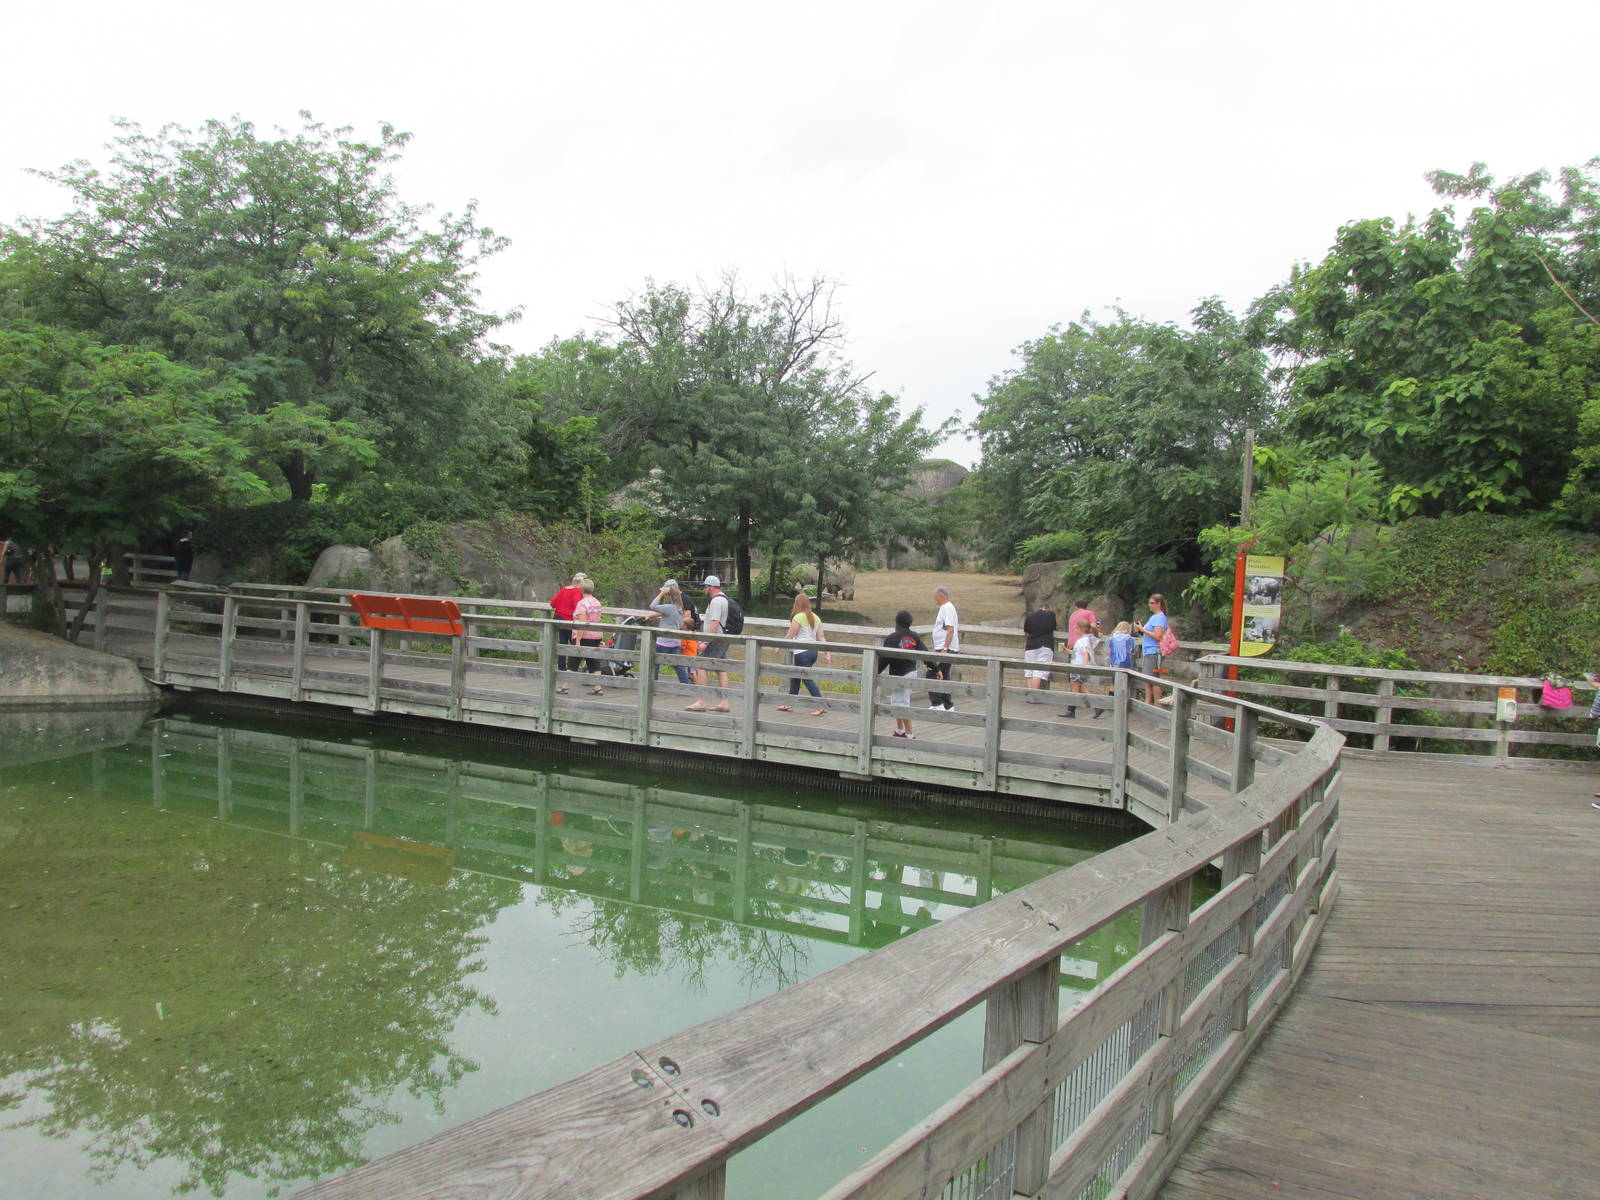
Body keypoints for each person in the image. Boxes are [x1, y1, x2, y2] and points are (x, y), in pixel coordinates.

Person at [776, 592, 829, 716]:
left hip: (802, 652)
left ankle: (820, 705)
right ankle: (789, 704)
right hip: (813, 652)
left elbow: (791, 634)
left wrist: (779, 645)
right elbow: (821, 637)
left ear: (797, 604)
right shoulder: (816, 617)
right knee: (795, 677)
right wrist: (827, 653)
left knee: (806, 678)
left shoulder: (798, 617)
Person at [685, 575, 732, 712]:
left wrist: (706, 641)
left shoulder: (716, 601)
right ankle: (725, 702)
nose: (704, 589)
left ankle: (701, 701)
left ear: (711, 587)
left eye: (705, 586)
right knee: (721, 669)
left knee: (700, 666)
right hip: (722, 639)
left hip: (715, 640)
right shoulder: (725, 599)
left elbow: (715, 622)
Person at [879, 609, 928, 739]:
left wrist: (875, 671)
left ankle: (910, 734)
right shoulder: (914, 636)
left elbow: (884, 658)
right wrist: (935, 668)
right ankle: (900, 730)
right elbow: (925, 653)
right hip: (911, 672)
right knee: (897, 701)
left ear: (897, 622)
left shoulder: (893, 638)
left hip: (901, 675)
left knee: (902, 703)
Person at [648, 580, 692, 685]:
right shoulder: (679, 607)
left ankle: (652, 686)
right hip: (675, 642)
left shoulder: (670, 608)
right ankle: (685, 685)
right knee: (678, 666)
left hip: (663, 641)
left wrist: (661, 593)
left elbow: (652, 606)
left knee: (654, 663)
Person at [1133, 593, 1170, 705]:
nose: (1150, 605)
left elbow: (1158, 636)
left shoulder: (1160, 617)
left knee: (1153, 679)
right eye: (1149, 603)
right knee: (1147, 679)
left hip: (1154, 651)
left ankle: (1158, 705)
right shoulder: (1154, 617)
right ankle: (1147, 703)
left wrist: (1142, 629)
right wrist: (1141, 630)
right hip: (1148, 650)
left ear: (1159, 604)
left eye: (1152, 603)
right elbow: (1150, 634)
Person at [550, 572, 586, 685]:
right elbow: (578, 606)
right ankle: (572, 669)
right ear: (580, 583)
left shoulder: (564, 589)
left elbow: (553, 603)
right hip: (569, 621)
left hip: (559, 620)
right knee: (575, 644)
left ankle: (561, 668)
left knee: (562, 644)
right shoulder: (576, 591)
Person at [927, 586, 959, 711]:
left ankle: (937, 703)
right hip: (942, 647)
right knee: (944, 675)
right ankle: (948, 705)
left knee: (932, 672)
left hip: (946, 649)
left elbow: (950, 629)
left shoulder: (947, 608)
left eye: (935, 596)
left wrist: (945, 647)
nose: (934, 599)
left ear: (941, 595)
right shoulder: (944, 608)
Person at [572, 577, 606, 696]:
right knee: (593, 662)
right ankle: (598, 688)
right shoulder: (597, 602)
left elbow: (582, 623)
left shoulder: (582, 603)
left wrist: (577, 640)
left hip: (584, 636)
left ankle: (564, 686)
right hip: (596, 635)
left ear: (581, 589)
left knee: (573, 660)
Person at [1064, 623, 1102, 718]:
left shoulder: (1083, 641)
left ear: (1081, 629)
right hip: (1078, 666)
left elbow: (1086, 653)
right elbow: (1078, 653)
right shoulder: (1087, 639)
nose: (1075, 630)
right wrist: (1066, 650)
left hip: (1078, 668)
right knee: (1082, 689)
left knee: (1075, 689)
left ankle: (1071, 710)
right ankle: (1098, 706)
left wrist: (1085, 666)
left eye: (1076, 628)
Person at [1021, 601, 1057, 701]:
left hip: (1030, 645)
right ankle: (1034, 696)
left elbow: (1026, 632)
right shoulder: (1051, 614)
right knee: (1039, 671)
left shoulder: (1030, 616)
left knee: (1029, 670)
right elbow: (1053, 627)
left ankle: (1029, 695)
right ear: (1047, 608)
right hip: (1045, 645)